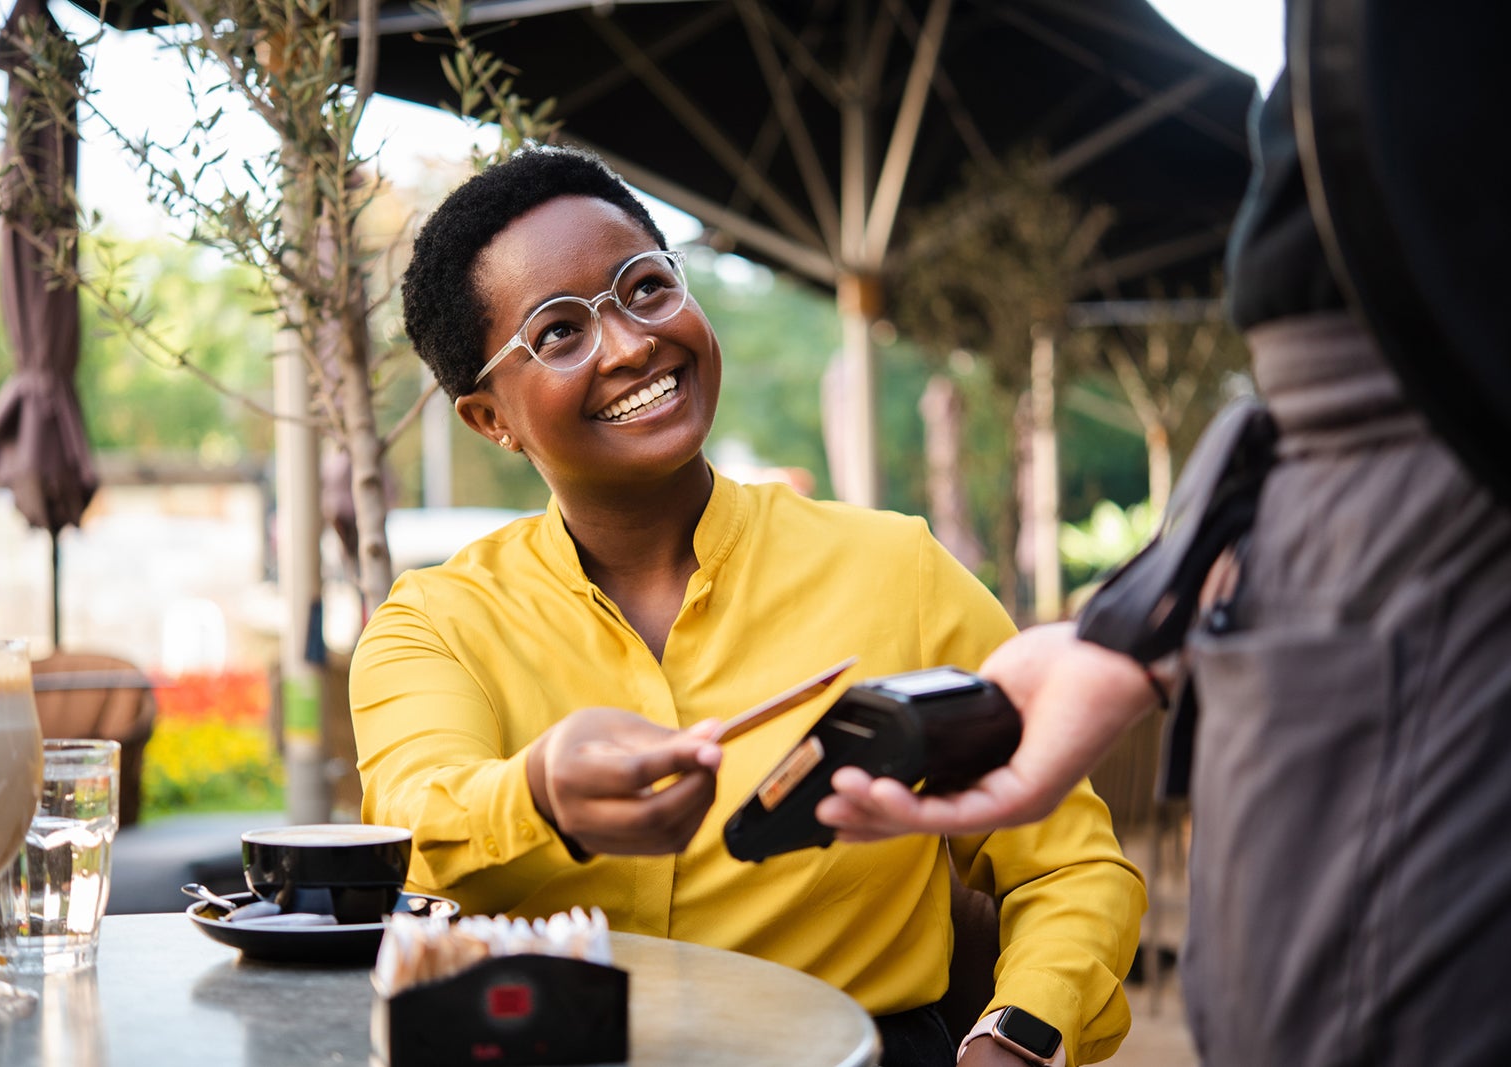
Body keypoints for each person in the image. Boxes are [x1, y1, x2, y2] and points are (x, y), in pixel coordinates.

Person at [816, 6, 1511, 1065]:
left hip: (1415, 435)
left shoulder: (897, 563)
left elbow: (1074, 878)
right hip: (1342, 457)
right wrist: (1131, 625)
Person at [351, 145, 1145, 1067]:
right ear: (489, 418)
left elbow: (1068, 865)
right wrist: (538, 794)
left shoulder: (898, 570)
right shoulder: (435, 623)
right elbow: (414, 824)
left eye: (645, 287)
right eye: (559, 333)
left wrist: (1019, 1037)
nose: (632, 343)